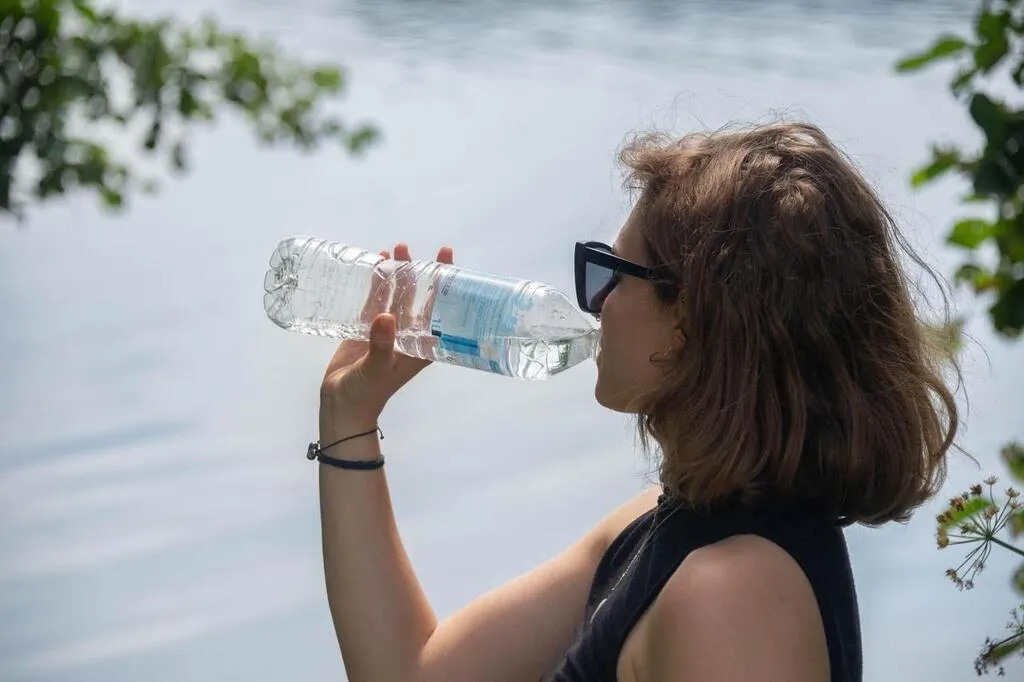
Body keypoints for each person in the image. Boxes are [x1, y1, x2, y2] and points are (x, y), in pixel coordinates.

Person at [310, 122, 959, 682]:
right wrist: (350, 414)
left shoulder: (732, 598)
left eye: (612, 274)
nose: (594, 303)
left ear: (694, 319)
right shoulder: (666, 522)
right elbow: (412, 672)